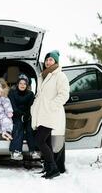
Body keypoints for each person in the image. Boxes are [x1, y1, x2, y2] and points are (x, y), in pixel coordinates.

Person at [31, 50, 70, 179]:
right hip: (42, 114)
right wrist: (34, 107)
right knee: (46, 142)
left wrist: (52, 106)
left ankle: (53, 168)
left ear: (56, 62)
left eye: (51, 60)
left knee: (39, 140)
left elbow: (64, 95)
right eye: (47, 60)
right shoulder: (42, 76)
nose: (48, 62)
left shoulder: (60, 76)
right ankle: (48, 168)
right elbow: (39, 95)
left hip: (51, 114)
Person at [8, 74, 40, 161]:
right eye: (20, 83)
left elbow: (32, 107)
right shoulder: (12, 93)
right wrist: (21, 115)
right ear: (17, 84)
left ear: (27, 85)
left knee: (30, 129)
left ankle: (33, 150)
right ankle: (16, 151)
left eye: (24, 84)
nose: (22, 85)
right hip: (16, 116)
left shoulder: (30, 94)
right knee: (19, 128)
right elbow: (13, 107)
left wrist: (27, 116)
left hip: (28, 116)